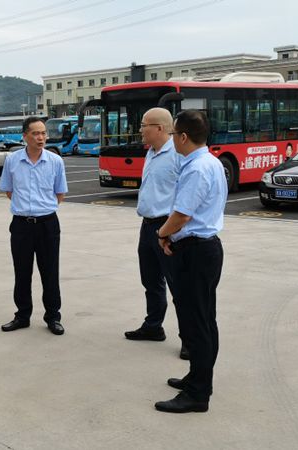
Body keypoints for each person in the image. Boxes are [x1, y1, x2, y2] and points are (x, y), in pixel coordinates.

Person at [154, 110, 227, 413]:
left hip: (196, 251)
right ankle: (198, 377)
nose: (172, 139)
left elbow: (182, 215)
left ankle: (198, 394)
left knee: (197, 323)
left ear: (183, 137)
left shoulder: (196, 168)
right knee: (204, 318)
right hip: (205, 248)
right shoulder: (211, 162)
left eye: (173, 134)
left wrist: (161, 233)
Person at [124, 107, 188, 359]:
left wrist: (171, 230)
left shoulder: (178, 155)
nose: (140, 130)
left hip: (168, 227)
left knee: (178, 285)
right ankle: (153, 326)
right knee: (150, 280)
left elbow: (184, 197)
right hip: (148, 225)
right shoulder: (151, 152)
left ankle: (188, 338)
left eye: (144, 125)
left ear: (159, 128)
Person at [0, 116, 68, 335]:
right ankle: (22, 315)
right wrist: (26, 209)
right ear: (25, 136)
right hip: (21, 225)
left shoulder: (55, 161)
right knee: (22, 272)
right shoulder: (12, 161)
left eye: (43, 133)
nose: (41, 137)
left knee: (50, 272)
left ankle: (53, 317)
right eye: (36, 133)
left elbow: (60, 194)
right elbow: (9, 190)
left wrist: (41, 208)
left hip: (47, 224)